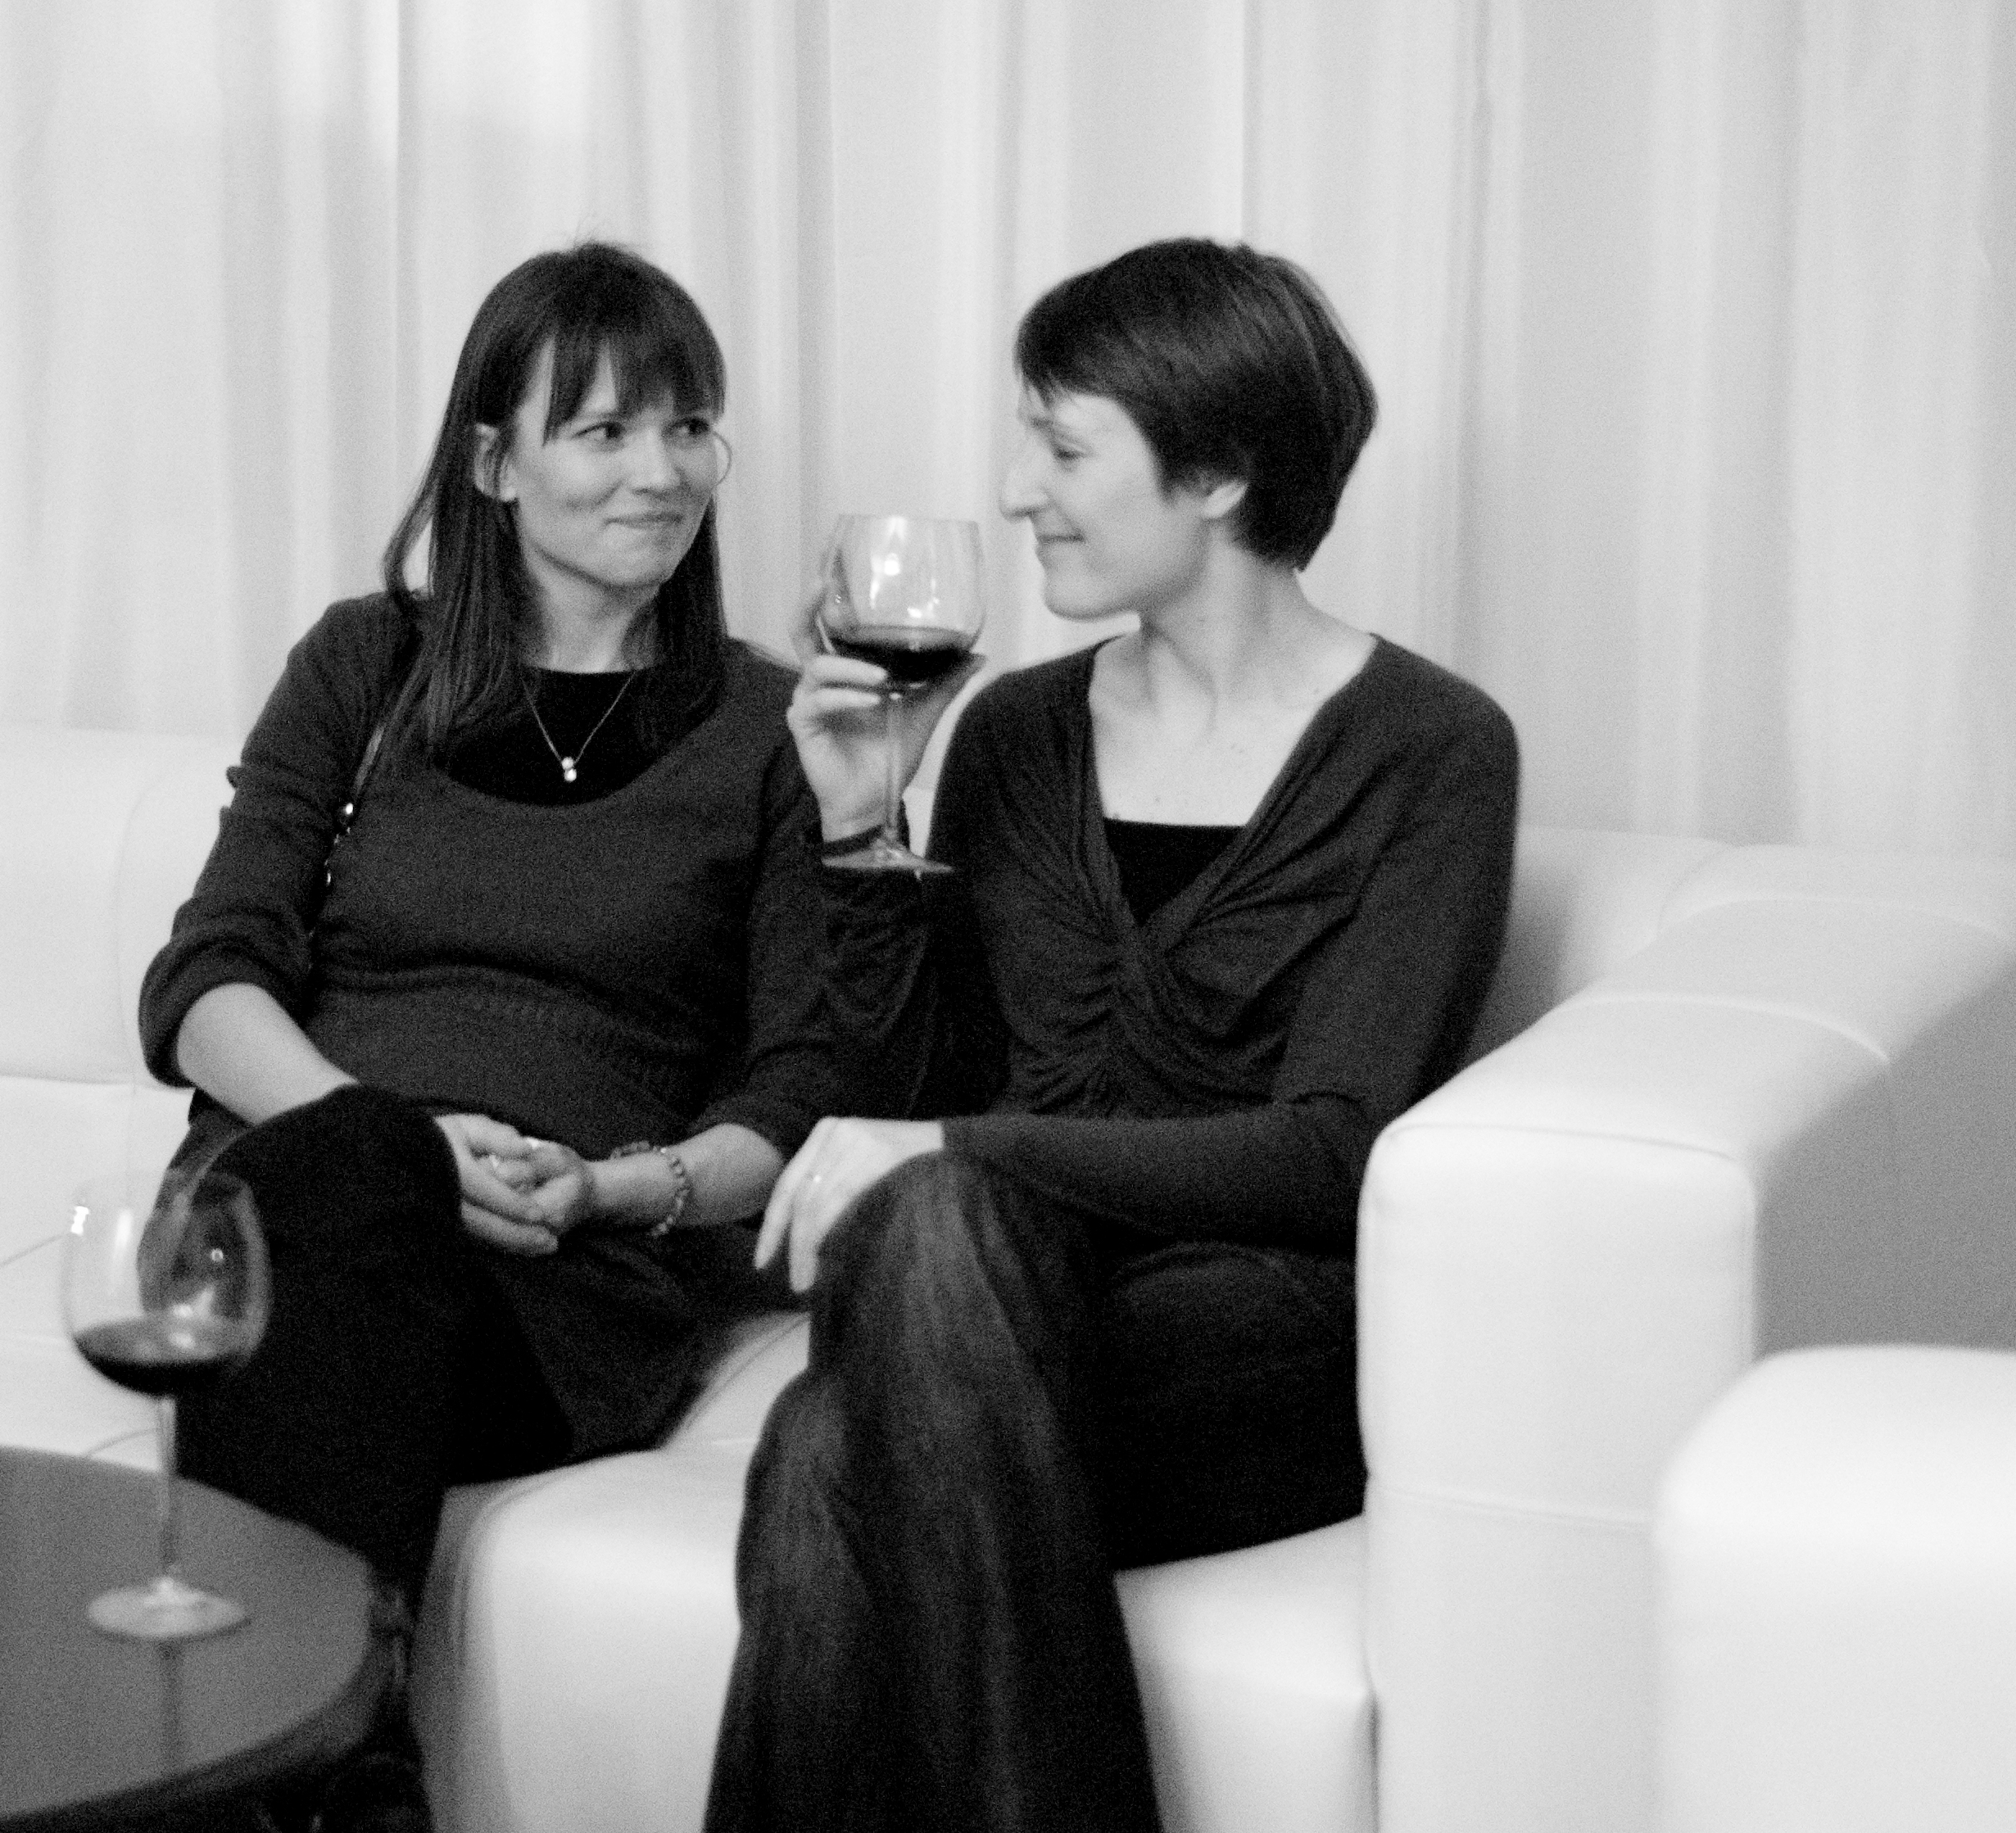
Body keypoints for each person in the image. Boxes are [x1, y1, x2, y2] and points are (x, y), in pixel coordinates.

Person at [704, 238, 1520, 1833]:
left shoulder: (1430, 752)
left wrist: (955, 1153)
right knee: (865, 1370)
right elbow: (916, 1089)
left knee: (829, 1435)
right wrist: (861, 835)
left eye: (1065, 448)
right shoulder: (1012, 735)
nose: (1019, 492)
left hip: (1253, 1341)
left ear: (1216, 474)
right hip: (978, 1306)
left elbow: (1332, 1153)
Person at [138, 242, 833, 1831]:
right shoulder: (362, 666)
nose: (662, 472)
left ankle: (303, 1779)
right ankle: (345, 1781)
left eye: (689, 428)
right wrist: (380, 1136)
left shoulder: (775, 728)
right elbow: (204, 983)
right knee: (349, 1182)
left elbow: (802, 1093)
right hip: (282, 1212)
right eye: (603, 431)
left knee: (342, 1245)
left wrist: (616, 1189)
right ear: (493, 464)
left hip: (551, 1282)